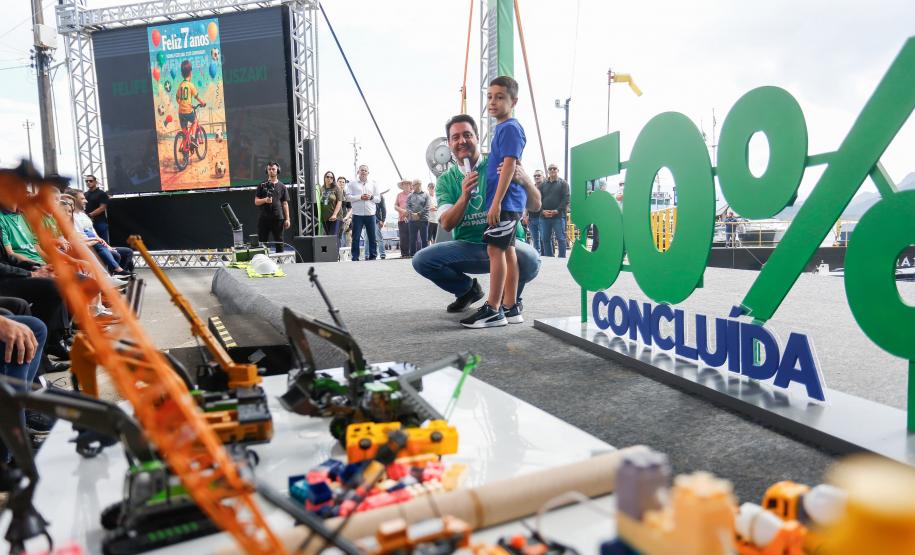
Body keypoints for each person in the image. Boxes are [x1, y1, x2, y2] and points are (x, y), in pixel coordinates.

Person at [413, 114, 540, 319]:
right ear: (449, 144)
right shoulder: (446, 179)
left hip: (508, 244)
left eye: (467, 135)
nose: (462, 141)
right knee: (422, 260)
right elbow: (446, 223)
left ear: (477, 137)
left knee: (530, 258)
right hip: (469, 247)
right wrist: (464, 197)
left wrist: (526, 180)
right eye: (455, 137)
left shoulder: (501, 163)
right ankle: (467, 290)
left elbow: (536, 205)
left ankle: (511, 298)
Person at [458, 76, 528, 329]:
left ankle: (493, 309)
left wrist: (496, 202)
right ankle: (510, 306)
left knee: (494, 250)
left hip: (506, 202)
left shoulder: (509, 128)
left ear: (513, 101)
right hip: (507, 202)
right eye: (490, 96)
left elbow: (509, 164)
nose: (493, 102)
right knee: (508, 251)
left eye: (500, 97)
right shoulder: (503, 128)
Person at [344, 165, 380, 261]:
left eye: (365, 170)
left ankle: (373, 256)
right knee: (355, 237)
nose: (363, 172)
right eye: (362, 170)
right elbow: (347, 197)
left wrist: (371, 197)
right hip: (357, 214)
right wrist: (360, 197)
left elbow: (378, 199)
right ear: (358, 172)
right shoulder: (352, 184)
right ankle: (355, 257)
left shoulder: (373, 184)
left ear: (368, 173)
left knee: (372, 237)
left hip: (371, 215)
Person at [254, 162, 290, 253]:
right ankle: (263, 262)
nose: (271, 171)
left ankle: (280, 262)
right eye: (269, 169)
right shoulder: (261, 185)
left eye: (273, 169)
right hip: (264, 218)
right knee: (262, 242)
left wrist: (287, 219)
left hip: (278, 218)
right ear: (267, 170)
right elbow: (256, 202)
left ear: (278, 170)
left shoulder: (282, 186)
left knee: (279, 241)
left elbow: (285, 204)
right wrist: (265, 200)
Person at [539, 164, 570, 258]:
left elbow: (566, 199)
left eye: (554, 168)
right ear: (548, 171)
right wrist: (542, 211)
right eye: (550, 169)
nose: (552, 170)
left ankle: (561, 258)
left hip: (558, 216)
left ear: (558, 170)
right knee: (545, 239)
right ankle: (549, 258)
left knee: (561, 239)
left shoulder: (563, 183)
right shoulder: (542, 184)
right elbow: (538, 199)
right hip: (544, 217)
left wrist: (557, 210)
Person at [176, 59, 206, 149]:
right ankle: (193, 138)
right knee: (195, 121)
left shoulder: (180, 85)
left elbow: (177, 98)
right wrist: (202, 103)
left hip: (180, 112)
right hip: (188, 111)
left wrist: (181, 103)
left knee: (185, 134)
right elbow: (196, 97)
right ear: (191, 73)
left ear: (182, 74)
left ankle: (185, 154)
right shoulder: (191, 85)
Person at [83, 175, 111, 243]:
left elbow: (102, 208)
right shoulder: (85, 194)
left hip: (100, 222)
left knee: (103, 242)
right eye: (86, 181)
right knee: (92, 242)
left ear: (95, 182)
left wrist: (90, 215)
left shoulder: (102, 193)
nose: (88, 182)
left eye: (91, 181)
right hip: (88, 222)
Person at [406, 179, 430, 255]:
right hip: (412, 220)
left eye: (413, 185)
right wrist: (413, 214)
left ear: (419, 184)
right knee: (412, 239)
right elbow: (407, 206)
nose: (412, 186)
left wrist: (419, 214)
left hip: (423, 220)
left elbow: (427, 207)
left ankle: (425, 255)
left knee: (424, 239)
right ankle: (412, 255)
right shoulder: (410, 195)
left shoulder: (426, 195)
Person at [320, 171, 345, 243]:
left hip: (335, 218)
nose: (329, 178)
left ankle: (335, 254)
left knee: (332, 238)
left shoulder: (336, 188)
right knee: (328, 239)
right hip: (325, 218)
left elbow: (339, 202)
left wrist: (334, 215)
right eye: (327, 177)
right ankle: (334, 254)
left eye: (331, 177)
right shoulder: (321, 188)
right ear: (324, 177)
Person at [527, 170, 545, 253]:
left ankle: (548, 258)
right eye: (535, 176)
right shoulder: (531, 188)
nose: (536, 177)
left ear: (543, 176)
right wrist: (525, 215)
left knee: (545, 239)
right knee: (535, 240)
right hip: (532, 218)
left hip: (543, 218)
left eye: (538, 175)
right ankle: (537, 257)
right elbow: (526, 202)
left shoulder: (546, 187)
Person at [394, 181, 411, 258]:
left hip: (412, 219)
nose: (406, 185)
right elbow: (395, 206)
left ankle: (413, 252)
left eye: (407, 184)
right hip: (401, 219)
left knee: (413, 236)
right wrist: (402, 210)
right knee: (403, 237)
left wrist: (408, 211)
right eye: (404, 184)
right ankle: (404, 254)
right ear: (402, 186)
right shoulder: (399, 195)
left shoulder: (413, 194)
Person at [336, 176, 350, 248]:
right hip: (333, 218)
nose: (341, 183)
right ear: (337, 182)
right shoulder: (333, 193)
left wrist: (347, 217)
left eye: (343, 182)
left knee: (340, 236)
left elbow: (350, 209)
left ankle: (339, 254)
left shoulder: (346, 195)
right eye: (340, 182)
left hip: (343, 219)